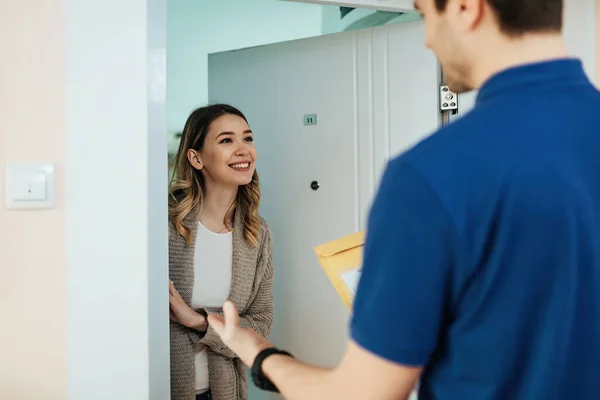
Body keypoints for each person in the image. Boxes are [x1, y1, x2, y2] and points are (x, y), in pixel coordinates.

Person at [205, 1, 600, 399]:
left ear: (466, 8)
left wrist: (258, 353)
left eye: (426, 14)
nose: (426, 39)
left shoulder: (430, 175)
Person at [167, 104, 275, 400]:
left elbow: (260, 324)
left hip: (224, 392)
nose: (243, 150)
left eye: (248, 139)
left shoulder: (257, 233)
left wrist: (200, 321)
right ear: (196, 157)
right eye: (227, 140)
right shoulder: (163, 226)